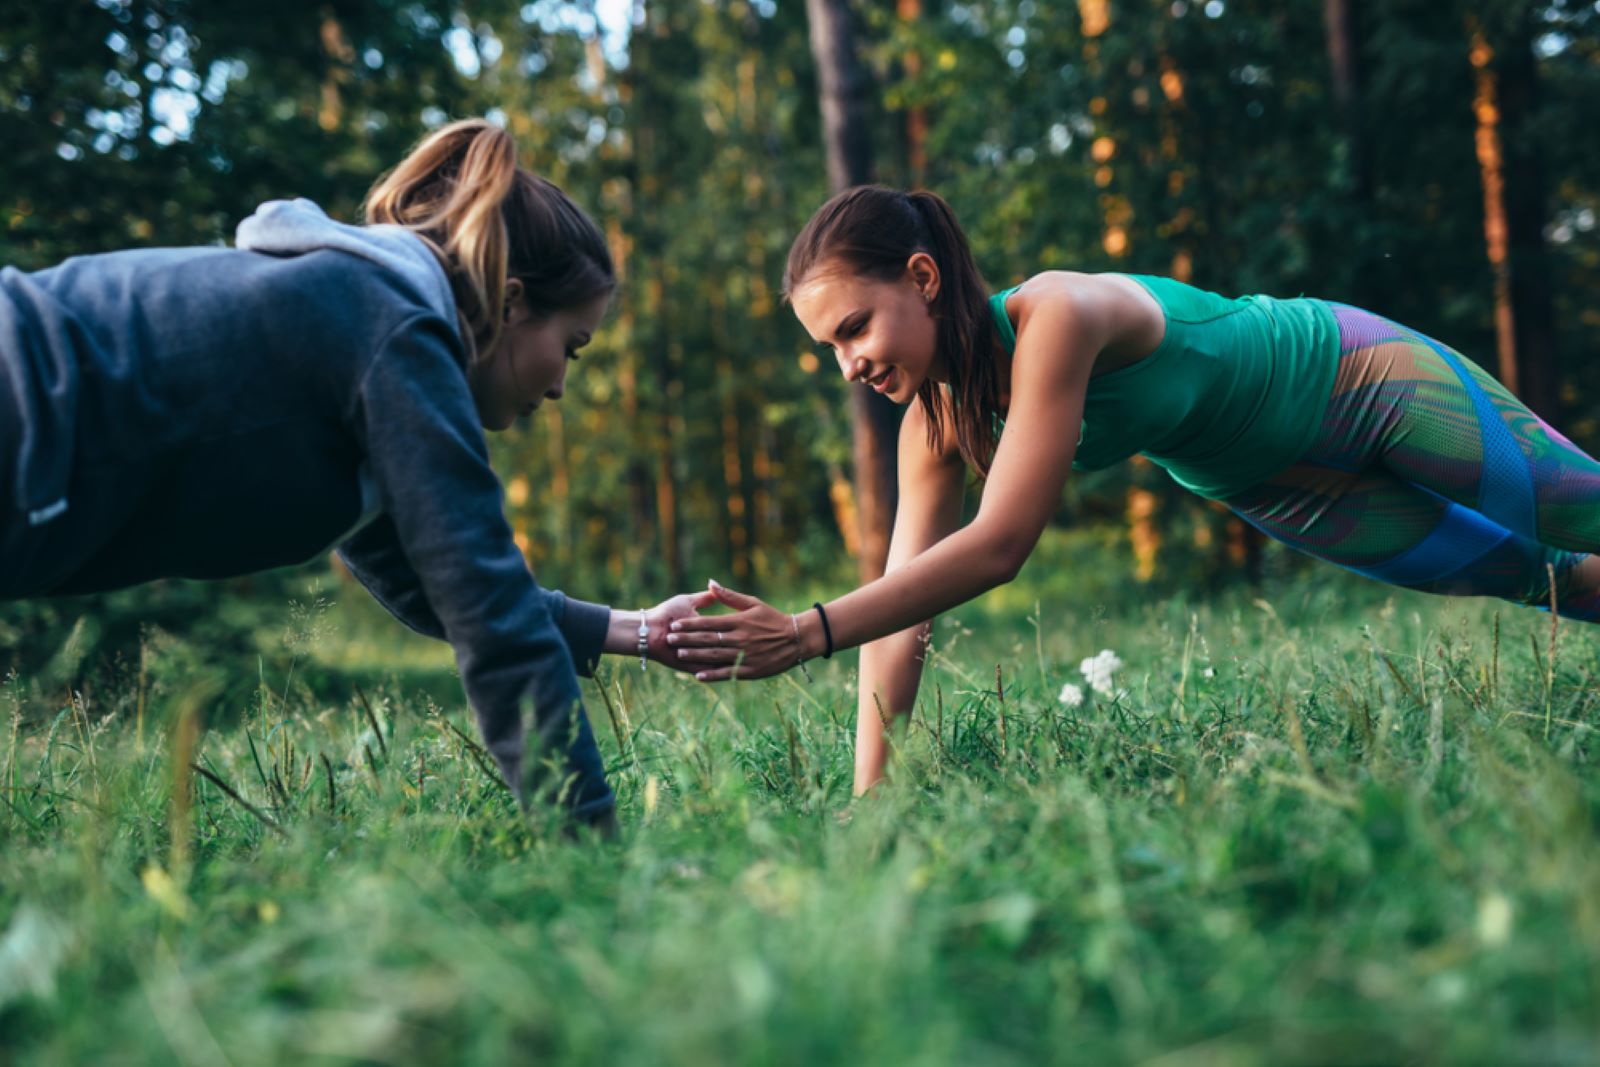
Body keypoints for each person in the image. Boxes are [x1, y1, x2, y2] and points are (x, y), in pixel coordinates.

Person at [667, 184, 1600, 795]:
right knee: (1549, 579)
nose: (846, 364)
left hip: (1359, 381)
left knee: (1576, 511)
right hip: (1284, 491)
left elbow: (999, 546)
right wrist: (868, 806)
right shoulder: (933, 429)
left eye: (855, 328)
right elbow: (900, 624)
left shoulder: (1058, 315)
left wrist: (804, 631)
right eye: (829, 347)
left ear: (922, 277)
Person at [0, 118, 712, 828]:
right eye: (573, 347)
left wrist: (638, 631)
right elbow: (493, 617)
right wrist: (591, 841)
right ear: (512, 301)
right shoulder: (395, 330)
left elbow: (442, 583)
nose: (561, 386)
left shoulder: (369, 324)